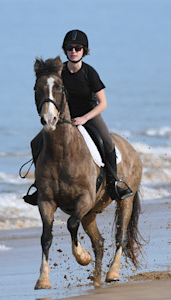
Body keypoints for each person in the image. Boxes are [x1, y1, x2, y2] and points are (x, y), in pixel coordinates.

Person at [24, 29, 133, 206]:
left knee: (106, 142)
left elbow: (103, 103)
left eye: (78, 48)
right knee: (36, 143)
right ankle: (40, 186)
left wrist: (84, 118)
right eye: (70, 48)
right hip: (63, 118)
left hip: (89, 114)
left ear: (84, 51)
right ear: (65, 50)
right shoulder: (60, 73)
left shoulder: (90, 73)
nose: (73, 51)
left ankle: (114, 183)